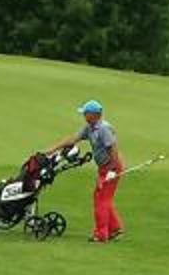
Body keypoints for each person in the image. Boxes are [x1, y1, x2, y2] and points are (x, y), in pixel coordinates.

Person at [52, 98, 124, 242]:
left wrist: (112, 170)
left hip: (112, 166)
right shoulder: (89, 127)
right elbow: (73, 139)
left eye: (86, 113)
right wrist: (53, 149)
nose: (84, 115)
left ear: (94, 114)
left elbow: (113, 150)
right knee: (102, 197)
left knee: (102, 200)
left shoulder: (104, 129)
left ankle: (101, 234)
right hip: (104, 167)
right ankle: (115, 228)